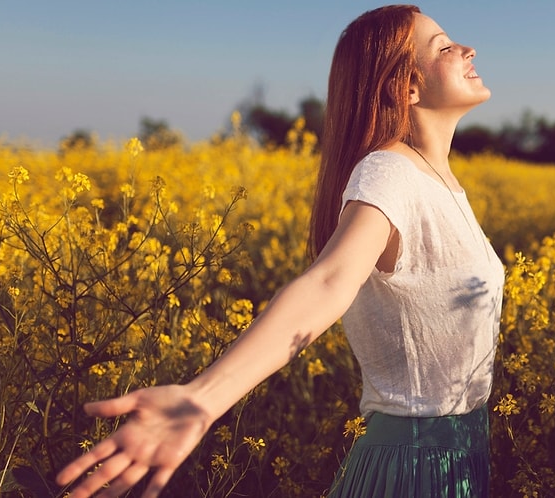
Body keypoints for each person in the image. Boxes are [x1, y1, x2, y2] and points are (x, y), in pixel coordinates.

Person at [55, 4, 503, 497]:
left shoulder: (438, 179)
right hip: (413, 463)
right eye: (444, 47)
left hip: (462, 452)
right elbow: (329, 281)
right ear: (407, 87)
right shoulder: (390, 172)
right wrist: (204, 398)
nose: (468, 49)